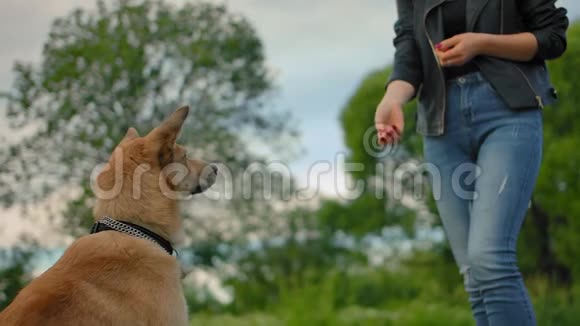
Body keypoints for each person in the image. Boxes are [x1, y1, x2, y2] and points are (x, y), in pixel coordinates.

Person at [374, 0, 569, 325]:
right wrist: (392, 99)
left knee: (490, 260)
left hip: (507, 113)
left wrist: (480, 42)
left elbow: (552, 36)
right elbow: (409, 45)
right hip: (441, 124)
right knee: (475, 277)